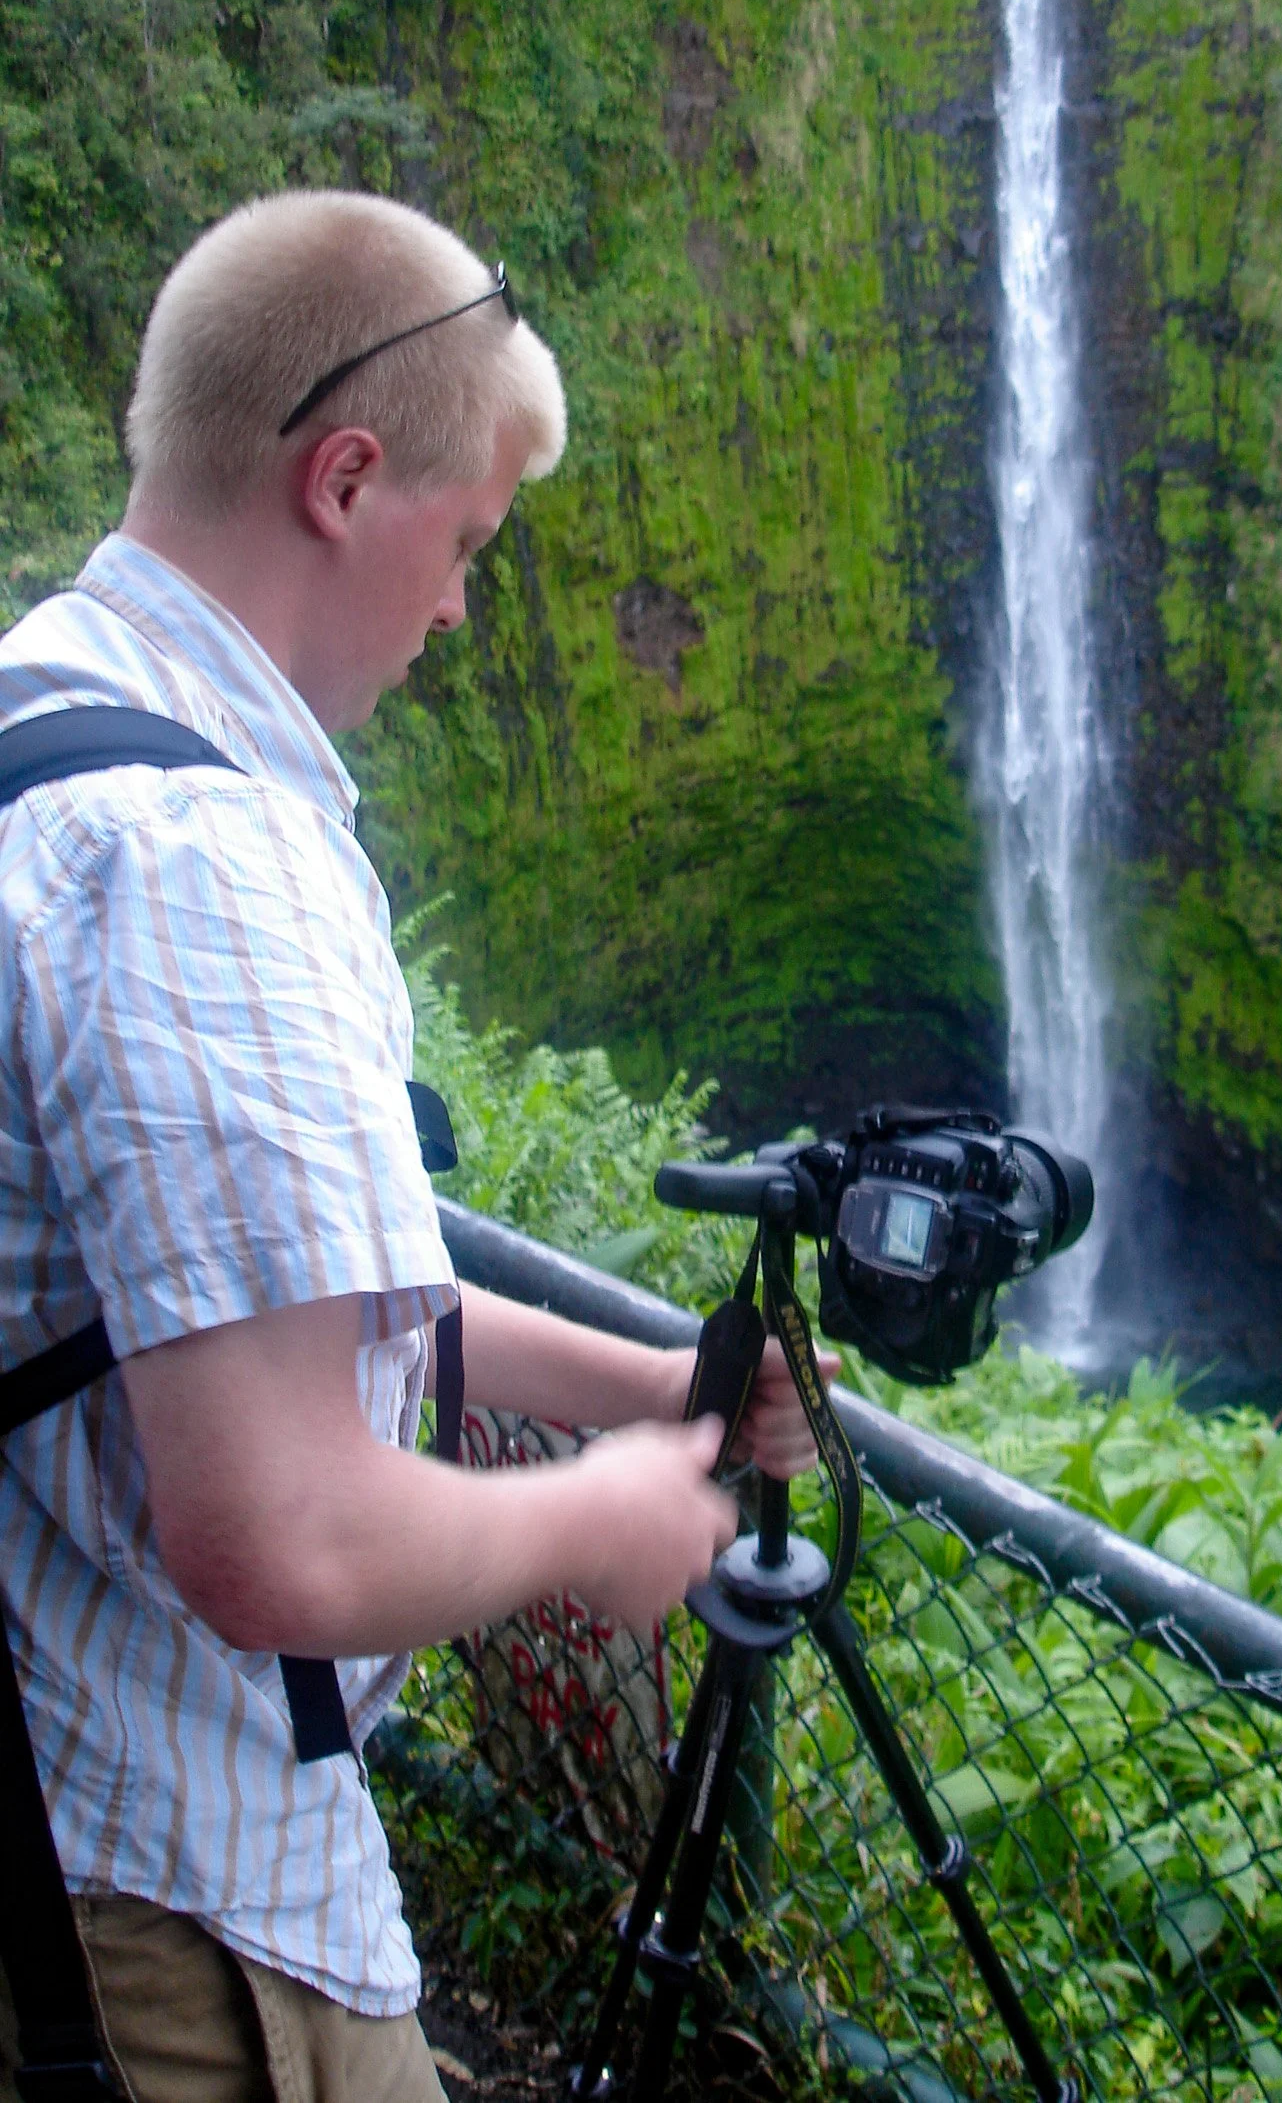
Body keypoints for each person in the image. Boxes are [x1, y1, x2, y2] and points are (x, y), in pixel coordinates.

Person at [0, 191, 827, 2103]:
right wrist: (594, 1521)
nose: (461, 607)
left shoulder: (50, 699)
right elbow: (277, 1527)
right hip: (172, 1889)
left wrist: (638, 1381)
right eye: (463, 545)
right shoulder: (200, 866)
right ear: (344, 481)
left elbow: (249, 1303)